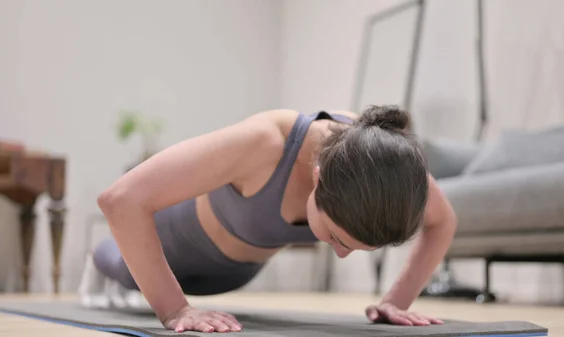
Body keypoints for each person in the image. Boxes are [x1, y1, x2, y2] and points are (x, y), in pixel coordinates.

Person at [80, 105, 457, 334]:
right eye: (337, 239)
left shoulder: (392, 170)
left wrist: (397, 301)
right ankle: (101, 259)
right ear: (318, 175)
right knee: (122, 269)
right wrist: (175, 309)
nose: (341, 256)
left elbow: (444, 222)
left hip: (237, 274)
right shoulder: (265, 143)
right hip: (177, 243)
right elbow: (120, 199)